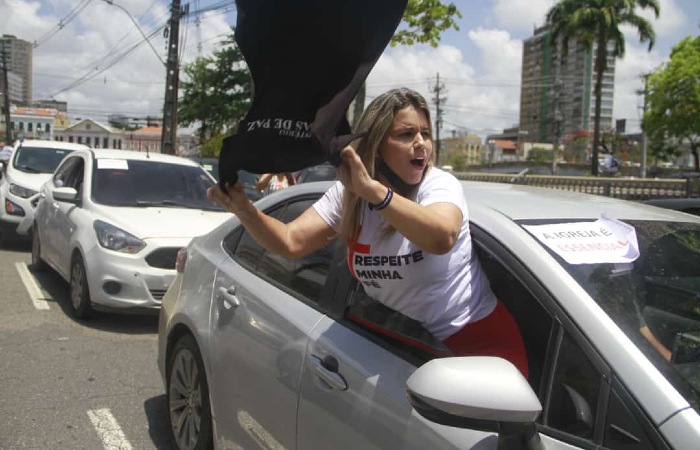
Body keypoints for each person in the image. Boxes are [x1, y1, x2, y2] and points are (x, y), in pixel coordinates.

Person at [208, 88, 528, 378]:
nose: (421, 143)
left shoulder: (439, 185)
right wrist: (245, 209)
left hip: (478, 350)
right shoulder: (347, 194)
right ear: (377, 143)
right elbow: (291, 242)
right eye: (406, 134)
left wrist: (376, 193)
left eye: (426, 134)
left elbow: (441, 237)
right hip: (404, 347)